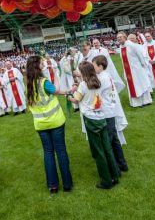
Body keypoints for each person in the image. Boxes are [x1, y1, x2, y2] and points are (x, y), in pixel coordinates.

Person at [25, 56, 73, 195]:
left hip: (41, 124)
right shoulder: (44, 82)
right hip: (55, 121)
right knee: (61, 151)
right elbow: (57, 90)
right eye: (41, 63)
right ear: (37, 66)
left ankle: (52, 185)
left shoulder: (28, 83)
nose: (43, 64)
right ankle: (67, 184)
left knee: (48, 153)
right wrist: (56, 76)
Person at [68, 62, 121, 189]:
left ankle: (106, 181)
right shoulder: (97, 80)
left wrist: (69, 95)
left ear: (84, 72)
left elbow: (76, 99)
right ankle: (115, 175)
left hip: (91, 119)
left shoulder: (83, 85)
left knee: (98, 151)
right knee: (107, 148)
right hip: (101, 116)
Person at [92, 55, 129, 172]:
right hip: (110, 111)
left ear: (100, 66)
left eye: (94, 66)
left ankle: (114, 168)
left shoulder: (102, 78)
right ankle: (122, 164)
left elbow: (95, 95)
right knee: (115, 140)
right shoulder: (105, 75)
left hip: (106, 113)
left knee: (108, 142)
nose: (93, 69)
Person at [117, 32, 153, 108]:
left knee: (141, 84)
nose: (119, 39)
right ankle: (137, 103)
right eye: (118, 38)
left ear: (124, 37)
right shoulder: (121, 47)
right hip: (128, 70)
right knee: (134, 86)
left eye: (120, 37)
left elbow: (140, 55)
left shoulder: (132, 45)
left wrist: (143, 65)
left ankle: (146, 101)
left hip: (137, 69)